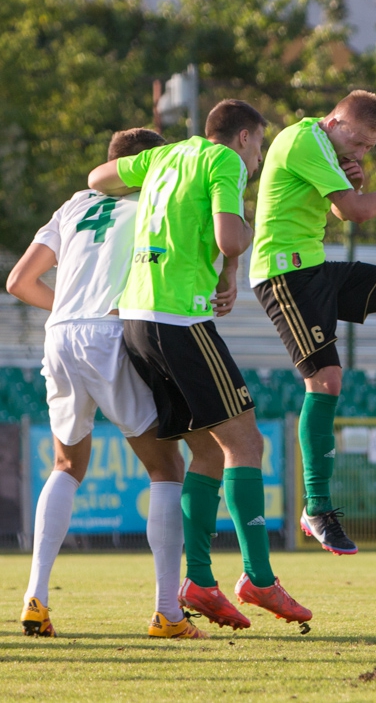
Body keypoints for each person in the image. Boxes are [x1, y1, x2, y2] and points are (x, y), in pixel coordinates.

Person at [88, 99, 310, 631]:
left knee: (207, 452)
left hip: (136, 318)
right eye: (259, 144)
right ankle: (257, 577)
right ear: (242, 138)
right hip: (178, 318)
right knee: (247, 443)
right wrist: (239, 245)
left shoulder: (165, 158)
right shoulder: (223, 162)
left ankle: (201, 582)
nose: (257, 158)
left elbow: (98, 178)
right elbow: (230, 237)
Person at [8, 128, 206, 639]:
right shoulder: (152, 206)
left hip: (60, 336)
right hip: (111, 333)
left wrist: (73, 312)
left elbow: (19, 282)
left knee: (67, 466)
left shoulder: (75, 204)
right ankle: (168, 613)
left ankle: (36, 600)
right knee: (166, 467)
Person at [249, 89, 376, 557]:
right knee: (326, 383)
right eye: (360, 143)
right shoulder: (303, 140)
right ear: (336, 121)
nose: (362, 151)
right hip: (284, 273)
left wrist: (355, 183)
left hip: (315, 267)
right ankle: (317, 508)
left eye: (370, 147)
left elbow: (346, 209)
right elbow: (359, 214)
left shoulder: (325, 148)